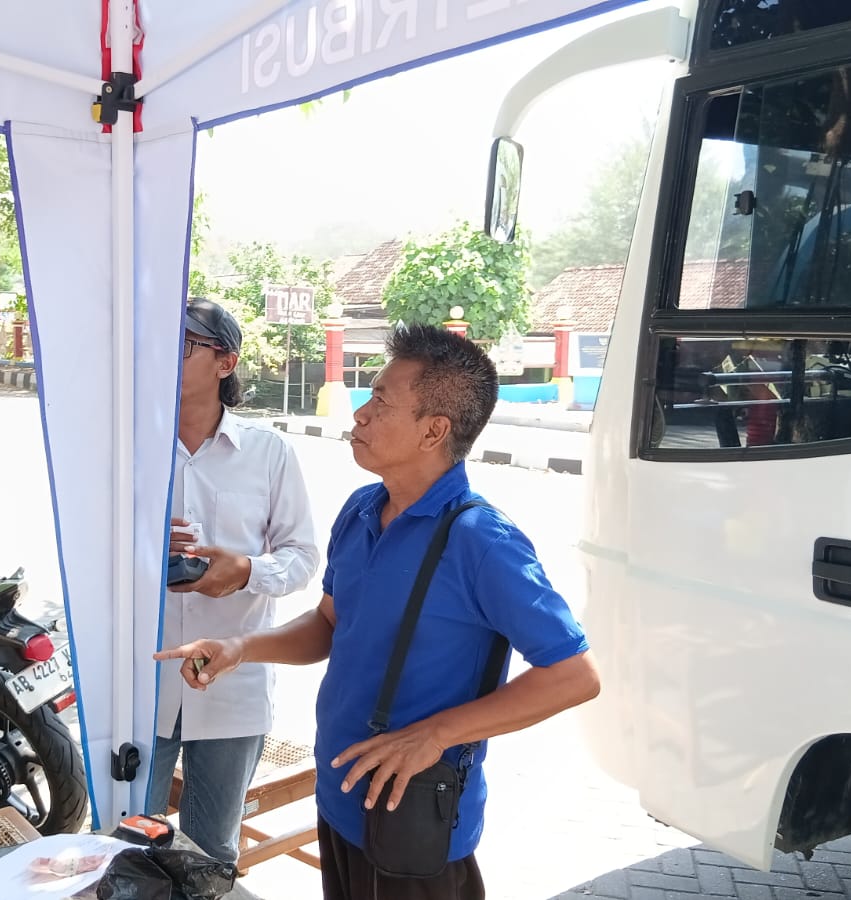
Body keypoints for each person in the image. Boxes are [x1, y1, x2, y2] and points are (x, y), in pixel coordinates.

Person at [157, 325, 600, 900]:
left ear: (434, 430)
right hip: (342, 798)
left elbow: (574, 676)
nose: (361, 415)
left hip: (415, 818)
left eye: (382, 402)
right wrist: (243, 647)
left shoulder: (481, 541)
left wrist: (436, 734)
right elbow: (329, 626)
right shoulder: (363, 509)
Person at [144, 298, 318, 865]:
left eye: (186, 345)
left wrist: (245, 571)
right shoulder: (132, 452)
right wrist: (136, 547)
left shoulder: (267, 454)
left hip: (230, 684)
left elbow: (302, 557)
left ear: (225, 362)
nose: (167, 355)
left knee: (210, 852)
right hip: (141, 682)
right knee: (127, 843)